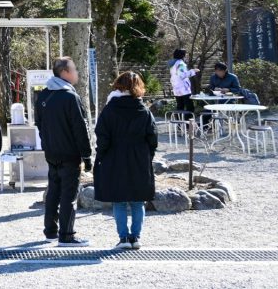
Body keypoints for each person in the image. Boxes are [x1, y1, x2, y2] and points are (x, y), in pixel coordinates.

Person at [94, 71, 158, 250]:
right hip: (139, 158)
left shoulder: (109, 109)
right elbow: (152, 137)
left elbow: (102, 136)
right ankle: (135, 237)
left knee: (119, 200)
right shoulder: (144, 110)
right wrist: (148, 155)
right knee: (138, 200)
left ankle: (123, 238)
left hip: (115, 158)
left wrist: (101, 155)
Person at [36, 56, 93, 247]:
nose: (77, 72)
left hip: (51, 153)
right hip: (69, 154)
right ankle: (66, 235)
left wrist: (48, 145)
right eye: (74, 69)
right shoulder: (70, 96)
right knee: (69, 195)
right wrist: (87, 154)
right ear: (64, 72)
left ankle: (50, 231)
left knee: (53, 191)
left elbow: (39, 125)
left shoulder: (43, 95)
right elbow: (80, 128)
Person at [169, 49, 198, 114]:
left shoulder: (173, 63)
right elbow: (182, 75)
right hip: (184, 88)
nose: (186, 56)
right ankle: (188, 120)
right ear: (182, 55)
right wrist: (193, 71)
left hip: (176, 87)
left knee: (180, 106)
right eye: (185, 54)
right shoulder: (180, 63)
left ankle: (179, 120)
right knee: (189, 107)